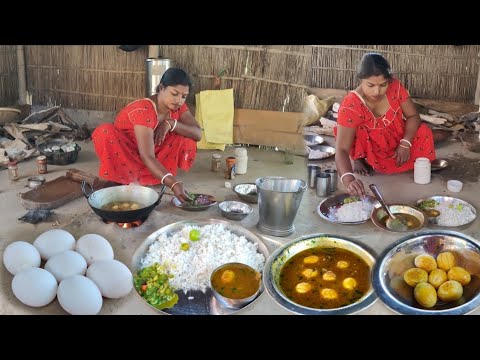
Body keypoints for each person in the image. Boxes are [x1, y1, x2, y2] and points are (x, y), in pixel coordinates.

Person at [92, 68, 202, 202]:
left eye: (184, 96)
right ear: (161, 88)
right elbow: (147, 156)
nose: (179, 100)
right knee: (105, 131)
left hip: (152, 150)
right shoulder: (144, 110)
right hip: (128, 153)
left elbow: (197, 133)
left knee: (183, 132)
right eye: (174, 93)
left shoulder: (178, 107)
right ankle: (126, 176)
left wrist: (171, 124)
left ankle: (157, 175)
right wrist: (173, 184)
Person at [335, 53, 436, 197]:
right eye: (370, 85)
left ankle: (392, 155)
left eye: (383, 85)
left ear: (389, 81)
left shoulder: (395, 87)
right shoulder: (351, 105)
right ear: (361, 80)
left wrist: (405, 143)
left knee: (424, 132)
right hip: (370, 146)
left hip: (396, 138)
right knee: (351, 131)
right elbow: (341, 148)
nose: (377, 91)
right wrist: (348, 179)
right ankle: (359, 159)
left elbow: (413, 116)